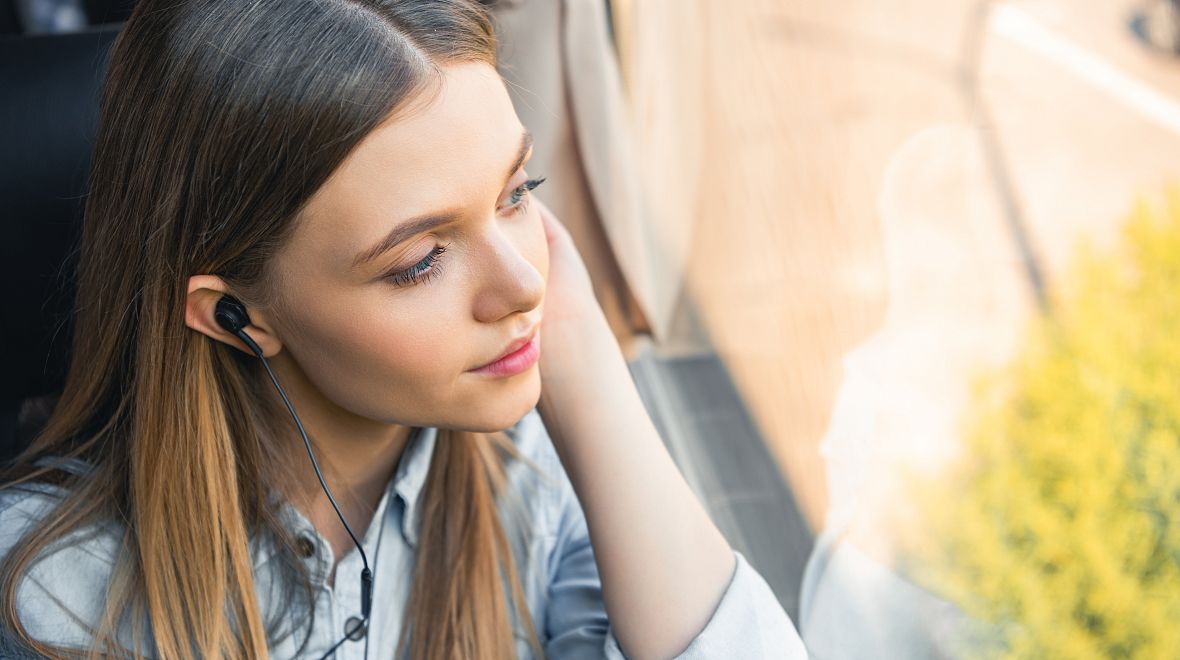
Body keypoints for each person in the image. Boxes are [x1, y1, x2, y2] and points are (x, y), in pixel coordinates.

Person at [0, 1, 809, 658]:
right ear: (233, 314)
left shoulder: (538, 485)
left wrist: (588, 368)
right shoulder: (55, 597)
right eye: (422, 259)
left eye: (517, 192)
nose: (527, 286)